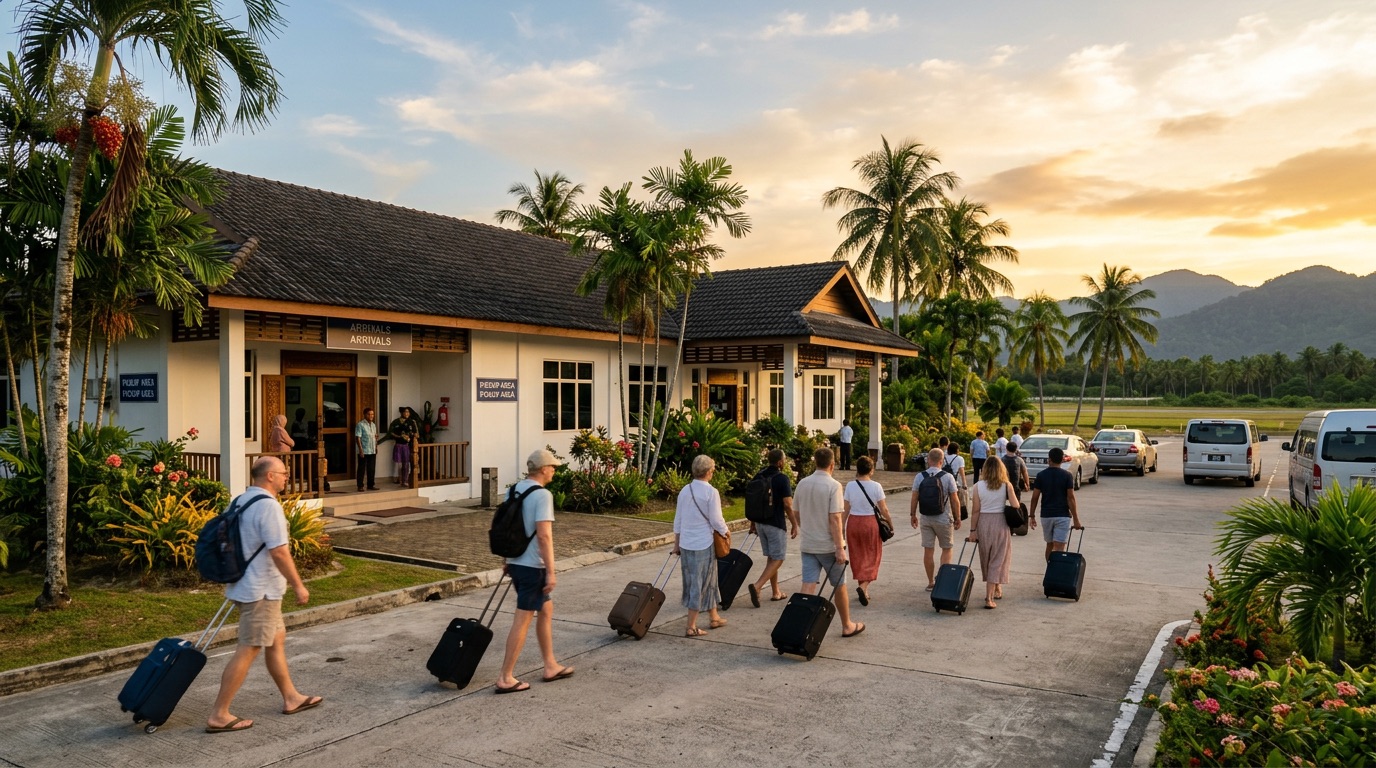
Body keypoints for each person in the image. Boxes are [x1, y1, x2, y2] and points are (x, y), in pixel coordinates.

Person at [206, 456, 320, 733]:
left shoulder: (240, 500)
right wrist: (298, 584)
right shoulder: (268, 506)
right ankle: (219, 714)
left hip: (246, 584)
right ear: (270, 476)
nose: (287, 476)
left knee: (275, 641)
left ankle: (291, 697)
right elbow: (278, 551)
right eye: (283, 473)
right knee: (249, 648)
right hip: (261, 591)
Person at [495, 449, 574, 693]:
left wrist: (507, 559)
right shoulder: (542, 495)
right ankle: (505, 677)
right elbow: (544, 536)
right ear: (543, 469)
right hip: (533, 567)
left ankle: (550, 665)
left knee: (546, 609)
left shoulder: (513, 490)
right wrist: (551, 571)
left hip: (517, 562)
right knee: (523, 618)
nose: (554, 471)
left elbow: (507, 527)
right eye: (553, 467)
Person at [796, 448, 863, 637]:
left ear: (815, 462)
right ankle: (847, 625)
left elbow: (795, 512)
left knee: (808, 585)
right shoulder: (834, 486)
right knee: (839, 585)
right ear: (832, 465)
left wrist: (806, 527)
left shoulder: (802, 483)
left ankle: (800, 626)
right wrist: (839, 547)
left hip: (808, 543)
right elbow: (835, 518)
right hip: (828, 546)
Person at [673, 454, 730, 637]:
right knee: (699, 584)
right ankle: (691, 626)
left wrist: (676, 544)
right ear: (708, 471)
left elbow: (678, 519)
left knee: (707, 580)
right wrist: (726, 531)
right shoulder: (711, 492)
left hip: (686, 543)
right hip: (703, 544)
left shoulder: (685, 490)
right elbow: (716, 520)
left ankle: (714, 616)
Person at [967, 457, 1020, 609]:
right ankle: (989, 598)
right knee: (998, 559)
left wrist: (972, 531)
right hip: (1000, 523)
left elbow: (975, 511)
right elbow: (1016, 505)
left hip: (983, 523)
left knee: (987, 559)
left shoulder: (977, 486)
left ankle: (996, 587)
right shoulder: (1006, 485)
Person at [747, 449, 797, 607]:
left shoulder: (759, 475)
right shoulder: (782, 479)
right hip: (775, 523)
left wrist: (753, 522)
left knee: (772, 558)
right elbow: (788, 504)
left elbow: (753, 501)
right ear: (780, 462)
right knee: (778, 558)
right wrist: (794, 524)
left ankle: (776, 592)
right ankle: (757, 586)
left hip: (760, 523)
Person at [843, 455, 893, 606]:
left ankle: (864, 590)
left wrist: (841, 528)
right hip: (870, 523)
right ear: (871, 470)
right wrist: (890, 524)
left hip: (853, 522)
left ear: (857, 469)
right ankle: (863, 586)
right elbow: (883, 509)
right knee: (872, 556)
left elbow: (845, 509)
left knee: (857, 555)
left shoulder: (850, 486)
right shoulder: (876, 486)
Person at [911, 447, 962, 591]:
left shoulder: (920, 476)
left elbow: (914, 497)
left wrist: (912, 515)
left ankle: (930, 582)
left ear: (928, 460)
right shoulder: (948, 477)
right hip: (943, 519)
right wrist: (958, 517)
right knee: (947, 548)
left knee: (928, 550)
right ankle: (942, 581)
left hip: (926, 518)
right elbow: (954, 499)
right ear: (942, 461)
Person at [1028, 447, 1084, 562]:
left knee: (1050, 544)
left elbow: (1035, 498)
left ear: (1049, 459)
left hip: (1046, 515)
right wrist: (1076, 519)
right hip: (1062, 515)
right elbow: (1070, 498)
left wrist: (1032, 515)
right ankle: (1057, 570)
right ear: (1062, 460)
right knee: (1059, 547)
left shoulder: (1041, 475)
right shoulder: (1067, 476)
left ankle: (1050, 568)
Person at [386, 406, 419, 487]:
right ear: (401, 413)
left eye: (408, 412)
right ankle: (399, 479)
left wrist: (412, 435)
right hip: (398, 445)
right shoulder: (395, 422)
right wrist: (400, 437)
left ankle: (405, 480)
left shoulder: (412, 422)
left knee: (406, 463)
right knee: (399, 464)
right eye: (405, 412)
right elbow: (390, 433)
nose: (407, 413)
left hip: (407, 446)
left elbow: (417, 434)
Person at [354, 408, 379, 491]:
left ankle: (370, 485)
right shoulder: (360, 425)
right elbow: (358, 438)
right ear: (364, 415)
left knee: (371, 468)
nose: (371, 416)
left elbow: (375, 436)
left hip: (372, 449)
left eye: (372, 414)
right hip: (364, 450)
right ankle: (360, 486)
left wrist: (376, 447)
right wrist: (360, 450)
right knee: (361, 469)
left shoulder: (373, 425)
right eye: (369, 414)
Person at [944, 442, 969, 513]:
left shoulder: (944, 458)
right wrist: (964, 483)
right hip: (956, 483)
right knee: (957, 500)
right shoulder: (959, 459)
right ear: (957, 450)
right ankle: (957, 514)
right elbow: (961, 471)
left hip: (944, 481)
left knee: (946, 501)